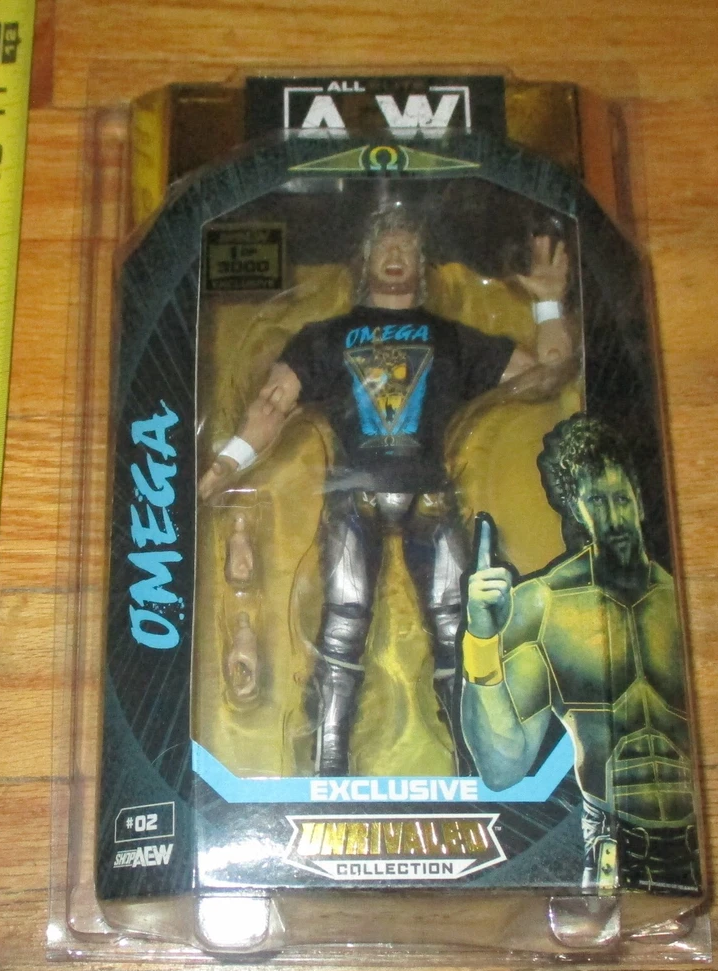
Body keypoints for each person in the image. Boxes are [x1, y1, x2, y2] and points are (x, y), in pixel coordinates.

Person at [199, 203, 571, 776]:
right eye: (384, 245)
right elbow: (272, 404)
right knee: (340, 634)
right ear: (364, 260)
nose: (395, 254)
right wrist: (225, 464)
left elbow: (546, 375)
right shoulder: (325, 337)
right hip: (355, 499)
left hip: (431, 496)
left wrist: (547, 303)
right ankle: (327, 771)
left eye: (407, 246)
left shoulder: (452, 339)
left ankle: (476, 770)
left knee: (457, 634)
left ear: (423, 265)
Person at [461, 414, 700, 892]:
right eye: (596, 502)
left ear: (640, 500)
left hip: (707, 839)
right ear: (575, 509)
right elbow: (503, 768)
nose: (614, 519)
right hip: (613, 844)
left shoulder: (685, 601)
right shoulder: (543, 605)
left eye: (621, 499)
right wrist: (481, 638)